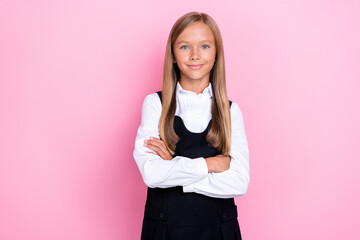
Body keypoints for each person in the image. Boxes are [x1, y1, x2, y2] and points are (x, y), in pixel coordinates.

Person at [133, 11, 250, 240]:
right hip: (166, 230)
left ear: (216, 54)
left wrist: (174, 165)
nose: (195, 55)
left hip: (218, 231)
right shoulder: (156, 105)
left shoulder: (230, 111)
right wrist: (210, 164)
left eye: (205, 46)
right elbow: (152, 174)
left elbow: (238, 182)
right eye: (185, 47)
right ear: (173, 55)